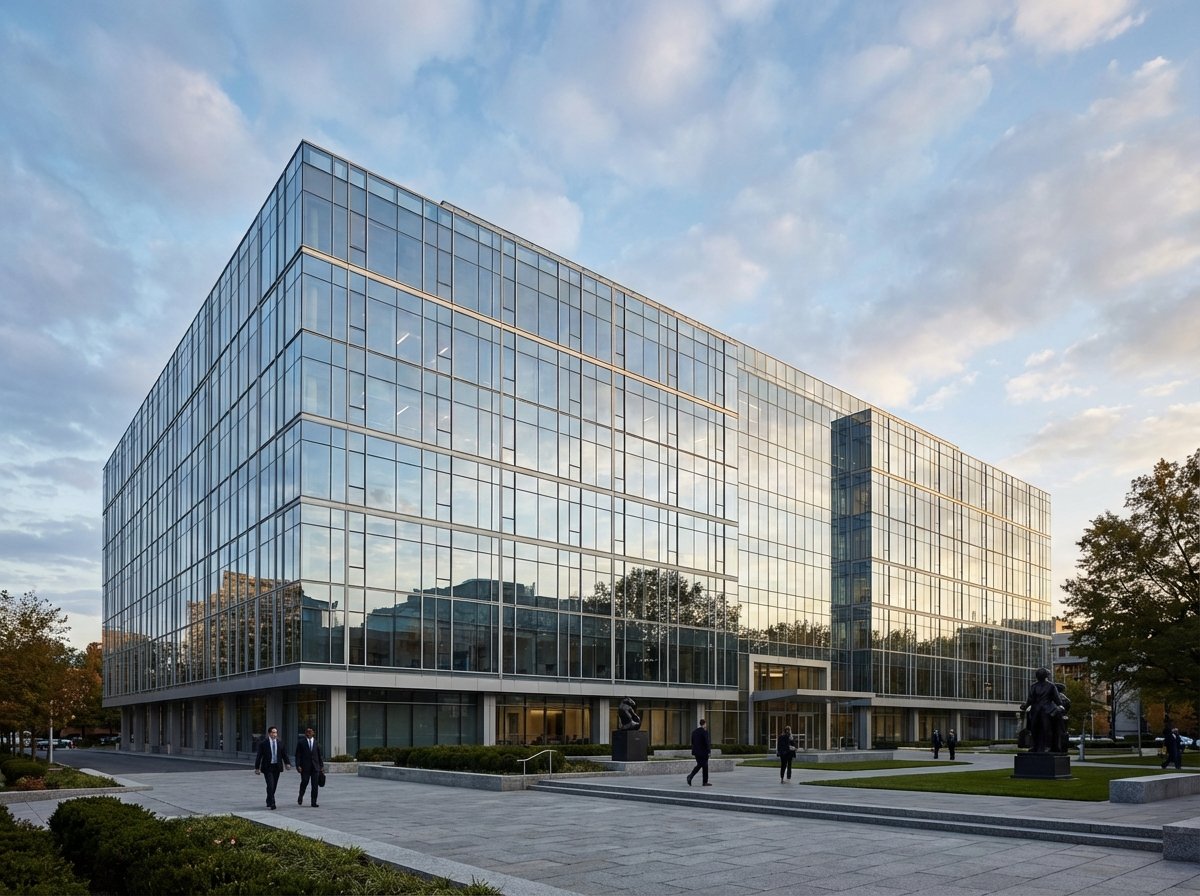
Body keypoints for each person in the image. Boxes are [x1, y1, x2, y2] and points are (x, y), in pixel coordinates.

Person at [1020, 667, 1065, 753]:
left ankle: (1048, 746)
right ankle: (1034, 746)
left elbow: (1057, 699)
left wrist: (1060, 706)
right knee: (1034, 729)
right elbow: (1030, 699)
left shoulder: (1051, 686)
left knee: (1047, 729)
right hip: (1035, 710)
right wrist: (1025, 706)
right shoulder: (1033, 686)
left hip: (1047, 711)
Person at [253, 725, 291, 810]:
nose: (275, 734)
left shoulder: (280, 743)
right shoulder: (263, 744)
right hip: (267, 767)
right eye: (273, 733)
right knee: (270, 784)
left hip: (277, 767)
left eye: (276, 733)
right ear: (269, 733)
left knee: (274, 785)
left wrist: (287, 763)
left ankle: (269, 799)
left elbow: (284, 754)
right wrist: (257, 768)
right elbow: (259, 756)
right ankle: (273, 802)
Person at [295, 726, 325, 807]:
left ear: (313, 733)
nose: (308, 733)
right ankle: (301, 795)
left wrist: (321, 766)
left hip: (315, 767)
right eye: (307, 731)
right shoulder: (301, 742)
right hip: (305, 767)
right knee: (304, 782)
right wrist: (298, 765)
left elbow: (319, 755)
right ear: (305, 733)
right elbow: (298, 755)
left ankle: (313, 802)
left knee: (315, 785)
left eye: (310, 731)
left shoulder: (316, 742)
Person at [687, 718, 712, 786]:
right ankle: (690, 776)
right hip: (703, 752)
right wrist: (709, 751)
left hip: (696, 752)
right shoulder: (704, 732)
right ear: (704, 724)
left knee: (703, 765)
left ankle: (704, 782)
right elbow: (706, 742)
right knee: (703, 765)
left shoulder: (694, 732)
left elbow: (692, 742)